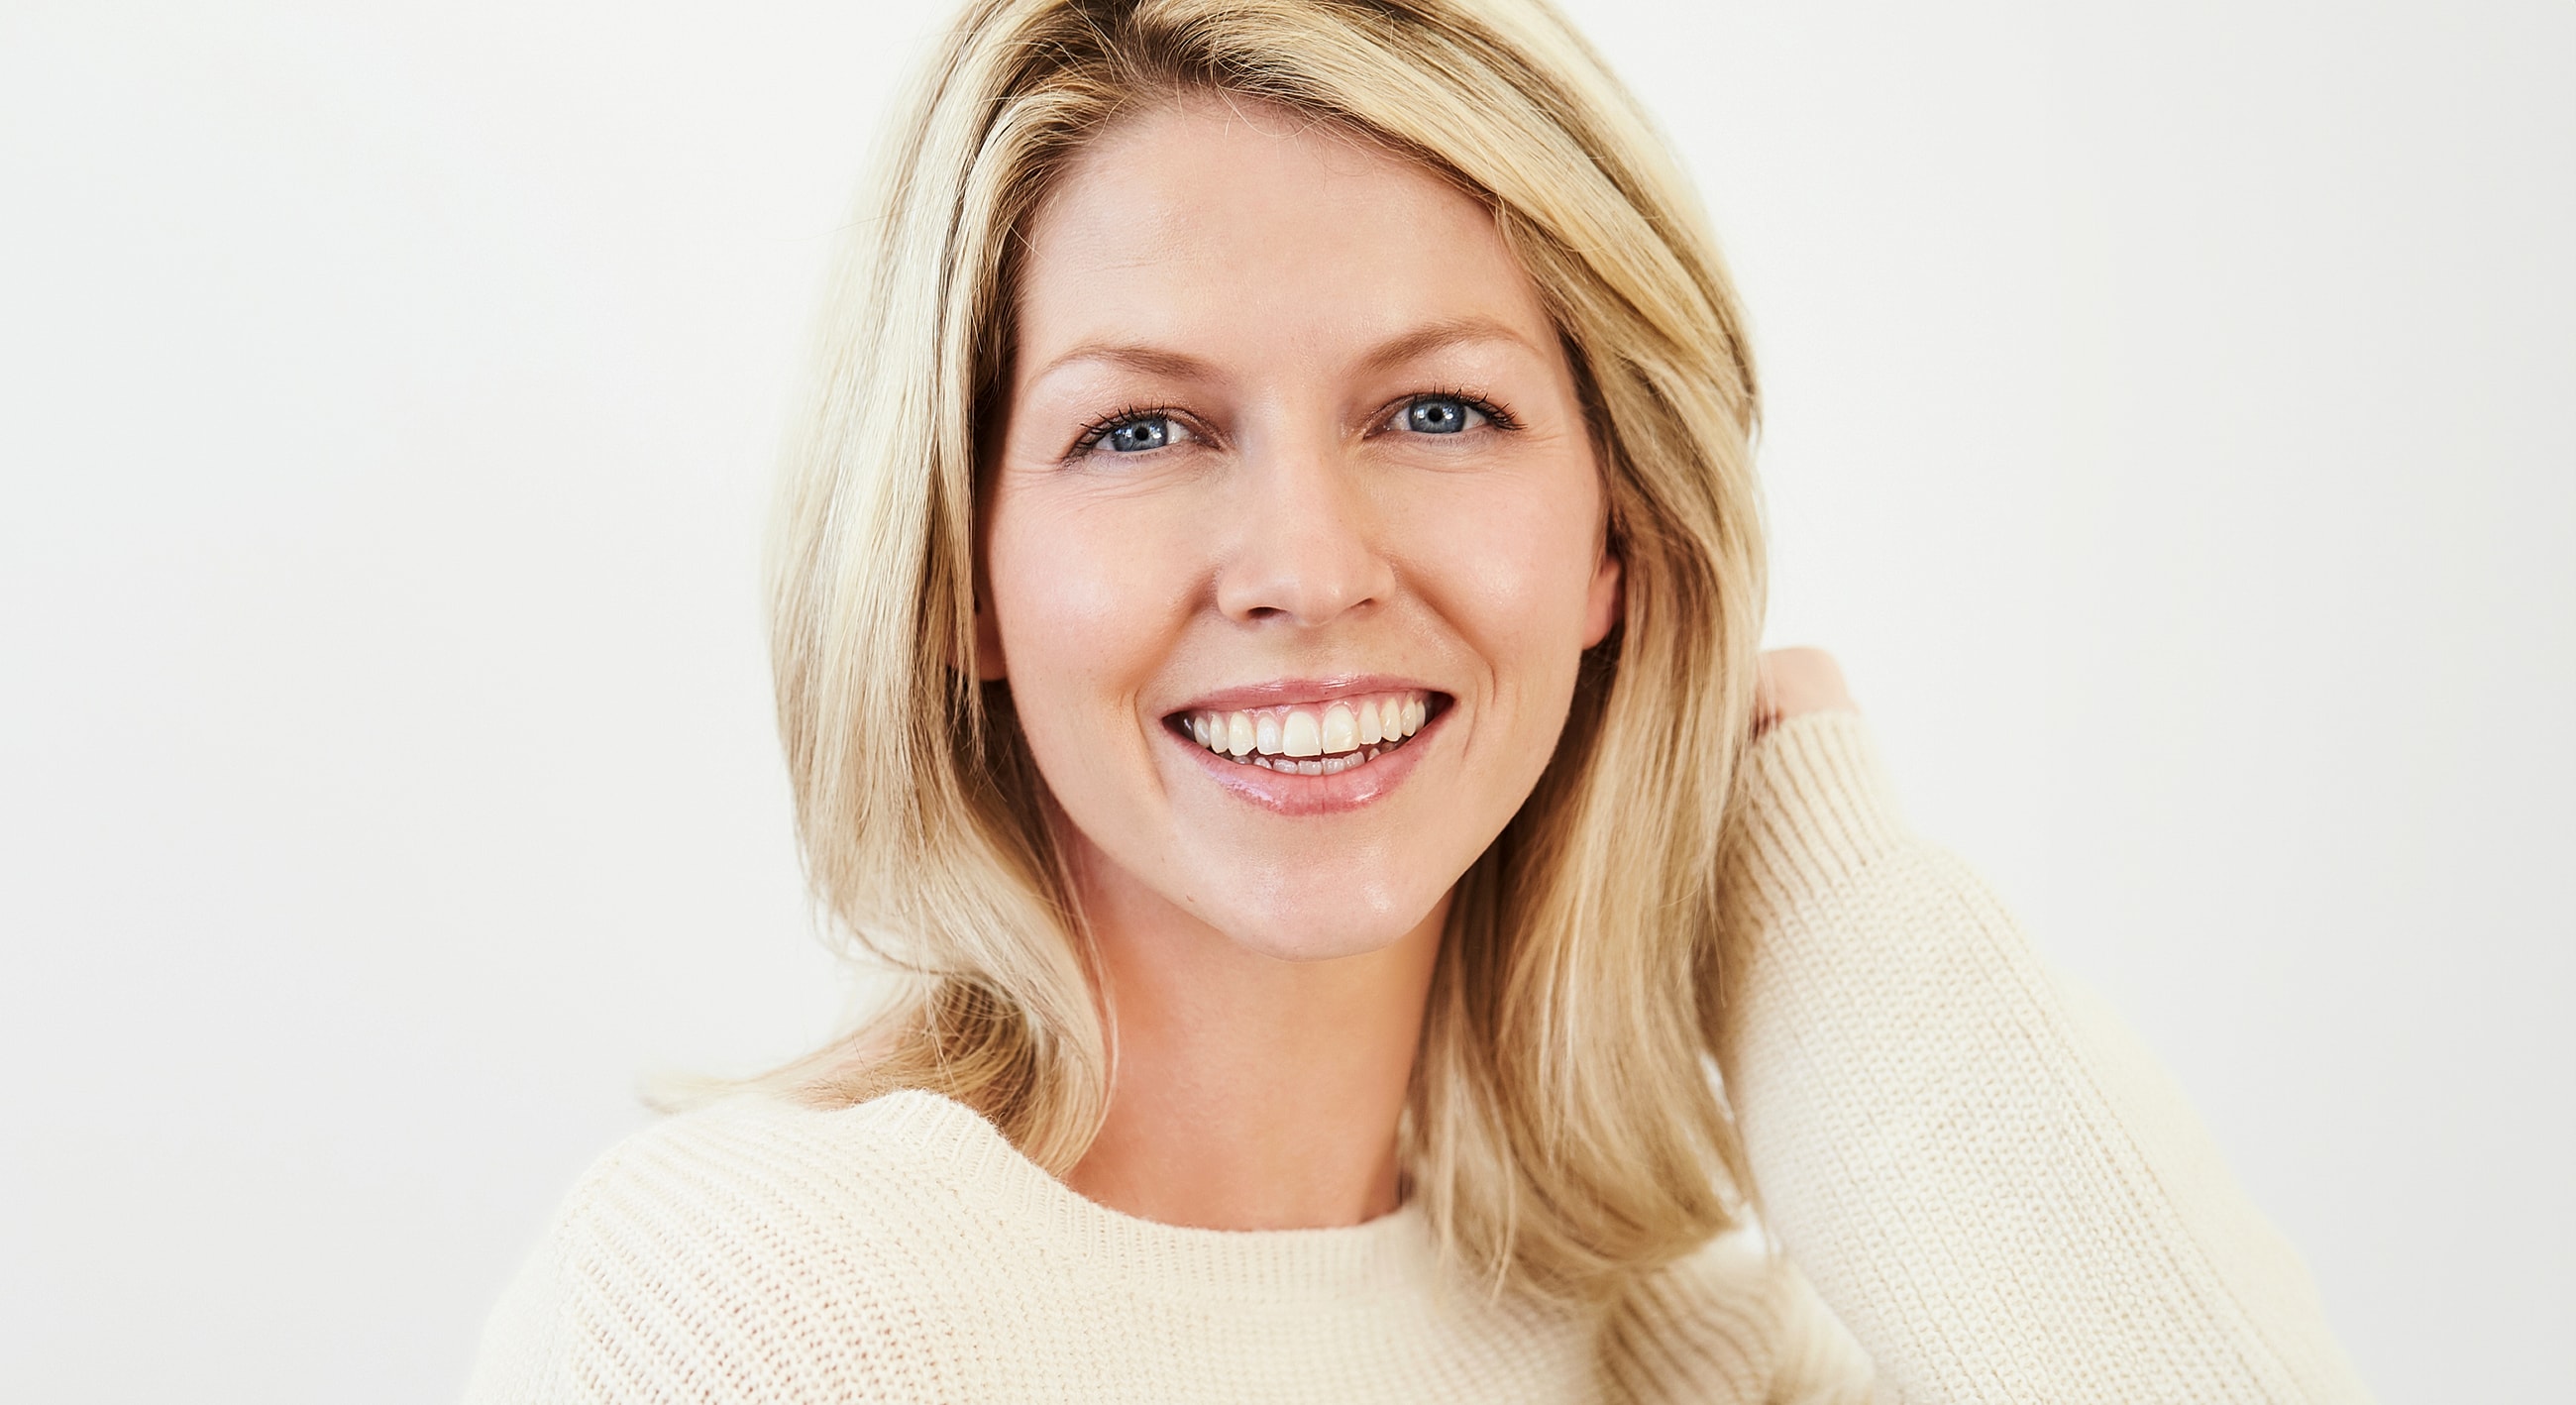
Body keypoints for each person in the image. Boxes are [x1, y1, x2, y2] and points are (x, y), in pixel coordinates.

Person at [463, 1, 2373, 1399]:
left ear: (1621, 527)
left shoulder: (1699, 1357)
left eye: (1437, 411)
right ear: (958, 569)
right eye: (1141, 427)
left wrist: (1834, 925)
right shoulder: (772, 1311)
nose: (1309, 562)